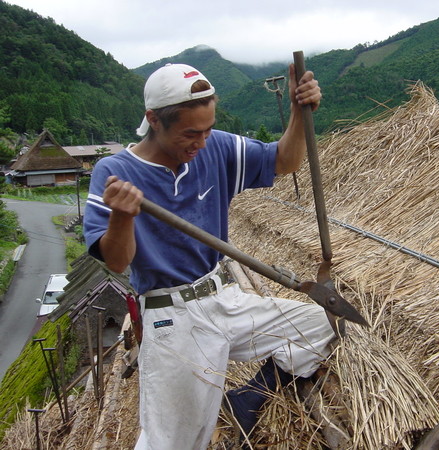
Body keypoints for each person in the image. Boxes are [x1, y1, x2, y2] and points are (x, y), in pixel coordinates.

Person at [83, 62, 336, 449]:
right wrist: (122, 216)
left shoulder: (215, 146)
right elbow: (117, 262)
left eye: (206, 130)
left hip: (222, 297)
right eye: (190, 133)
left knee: (317, 325)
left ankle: (247, 399)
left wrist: (300, 112)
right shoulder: (116, 171)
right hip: (173, 316)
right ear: (154, 119)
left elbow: (284, 161)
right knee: (174, 441)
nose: (200, 143)